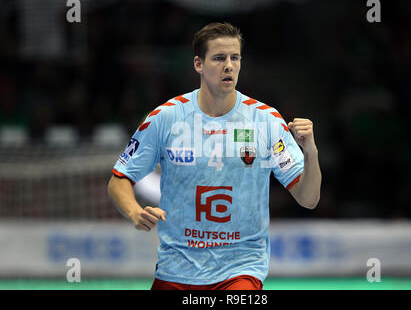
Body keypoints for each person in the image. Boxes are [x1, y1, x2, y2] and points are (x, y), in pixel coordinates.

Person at [107, 22, 322, 290]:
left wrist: (310, 152)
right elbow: (119, 179)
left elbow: (308, 198)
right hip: (177, 268)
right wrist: (134, 212)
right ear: (198, 64)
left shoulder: (266, 121)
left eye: (235, 58)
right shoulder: (166, 117)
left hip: (241, 268)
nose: (229, 65)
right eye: (219, 58)